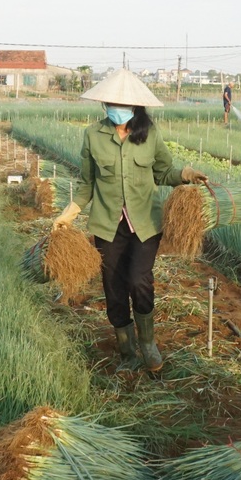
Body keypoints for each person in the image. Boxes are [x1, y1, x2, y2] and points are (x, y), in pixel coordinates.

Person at [53, 69, 207, 373]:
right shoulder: (92, 135)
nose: (114, 108)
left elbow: (163, 172)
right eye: (109, 103)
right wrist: (68, 215)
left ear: (136, 106)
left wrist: (186, 175)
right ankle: (126, 351)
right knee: (113, 288)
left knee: (138, 279)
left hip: (145, 224)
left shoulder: (150, 134)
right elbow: (86, 184)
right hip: (107, 225)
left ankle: (148, 343)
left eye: (120, 104)